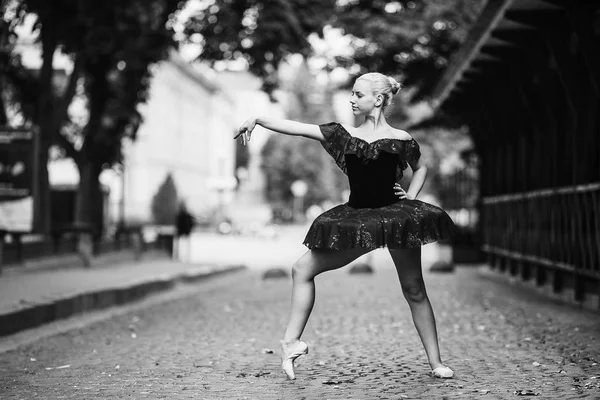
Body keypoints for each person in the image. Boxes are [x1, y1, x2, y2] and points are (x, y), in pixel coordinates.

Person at [235, 72, 456, 380]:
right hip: (359, 222)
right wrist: (257, 119)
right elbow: (299, 128)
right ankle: (291, 343)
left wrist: (411, 198)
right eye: (352, 93)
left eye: (358, 95)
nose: (351, 99)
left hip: (397, 218)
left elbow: (422, 168)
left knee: (414, 288)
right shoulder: (342, 136)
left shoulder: (402, 139)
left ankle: (436, 363)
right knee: (302, 270)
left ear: (377, 100)